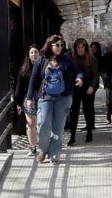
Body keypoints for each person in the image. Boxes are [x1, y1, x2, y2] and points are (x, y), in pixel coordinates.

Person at [26, 34, 83, 164]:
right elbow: (34, 79)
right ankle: (43, 149)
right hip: (45, 97)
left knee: (58, 127)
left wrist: (79, 78)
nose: (59, 47)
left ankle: (54, 153)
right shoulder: (41, 60)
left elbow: (78, 71)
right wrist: (29, 98)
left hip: (63, 98)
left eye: (61, 45)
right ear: (50, 45)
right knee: (43, 125)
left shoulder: (66, 59)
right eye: (57, 45)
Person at [68, 38, 99, 146]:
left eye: (82, 47)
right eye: (78, 47)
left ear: (86, 48)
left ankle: (89, 132)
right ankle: (72, 137)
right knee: (74, 112)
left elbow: (96, 75)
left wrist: (92, 86)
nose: (80, 50)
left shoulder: (91, 58)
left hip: (87, 88)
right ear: (76, 48)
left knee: (88, 110)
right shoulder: (72, 58)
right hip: (76, 88)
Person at [14, 44, 40, 155]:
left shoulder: (44, 67)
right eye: (32, 53)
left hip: (42, 98)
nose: (34, 54)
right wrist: (18, 103)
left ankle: (43, 145)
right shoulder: (24, 69)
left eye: (36, 52)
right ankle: (32, 146)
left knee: (42, 123)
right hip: (28, 99)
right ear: (28, 55)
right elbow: (18, 87)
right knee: (31, 123)